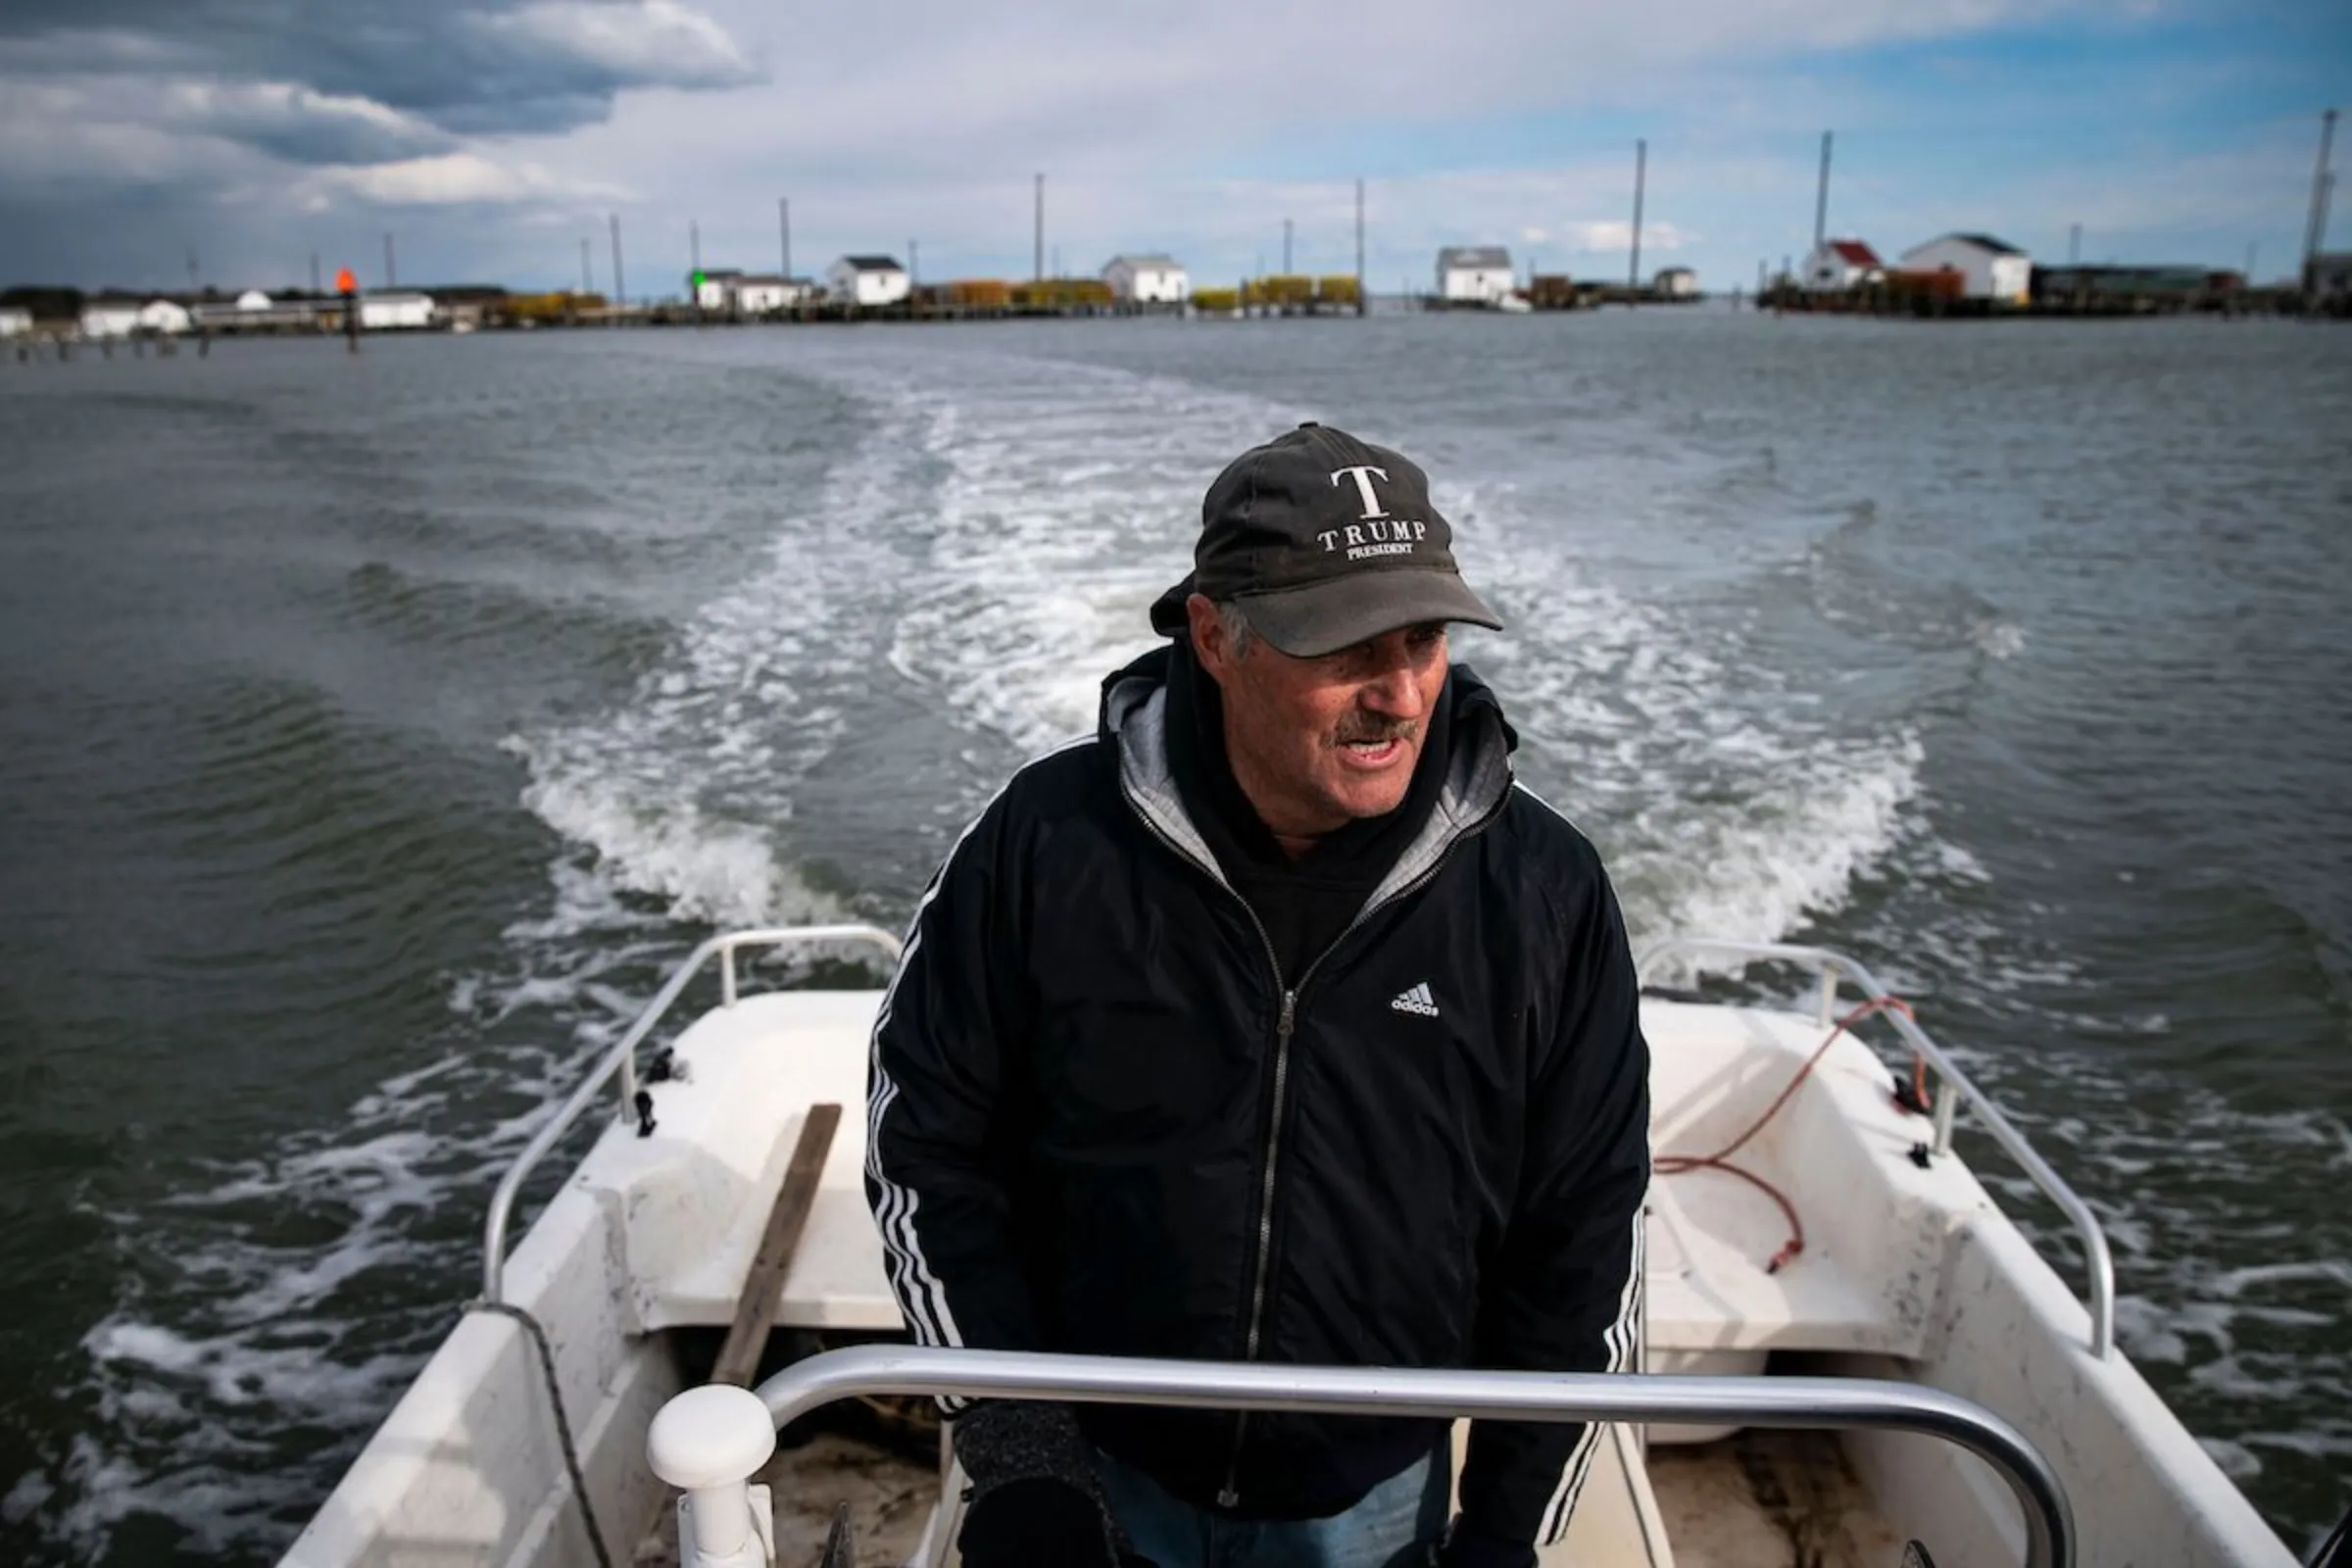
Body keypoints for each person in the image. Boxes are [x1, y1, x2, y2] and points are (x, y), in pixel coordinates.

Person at [865, 423, 1650, 1568]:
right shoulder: (1042, 847)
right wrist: (1022, 1450)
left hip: (1377, 1495)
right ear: (1214, 635)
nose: (1399, 694)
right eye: (1345, 646)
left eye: (1425, 638)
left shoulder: (1544, 894)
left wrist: (1506, 1533)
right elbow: (924, 1144)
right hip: (1097, 1468)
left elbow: (1585, 1242)